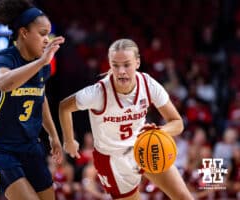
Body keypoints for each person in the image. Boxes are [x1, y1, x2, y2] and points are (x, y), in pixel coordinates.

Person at [59, 38, 193, 200]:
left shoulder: (148, 84)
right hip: (113, 160)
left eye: (127, 65)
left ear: (137, 63)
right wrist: (69, 140)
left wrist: (160, 132)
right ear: (110, 65)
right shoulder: (98, 92)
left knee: (184, 197)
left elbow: (177, 123)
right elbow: (64, 107)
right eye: (115, 65)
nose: (121, 71)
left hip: (143, 146)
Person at [0, 0, 64, 199]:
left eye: (48, 34)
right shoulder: (3, 59)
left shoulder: (42, 66)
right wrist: (41, 62)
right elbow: (4, 83)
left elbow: (41, 98)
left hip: (29, 147)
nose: (47, 40)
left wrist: (54, 136)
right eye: (42, 33)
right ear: (24, 32)